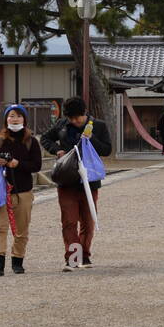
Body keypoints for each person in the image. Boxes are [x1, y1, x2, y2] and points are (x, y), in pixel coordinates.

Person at [41, 96, 112, 271]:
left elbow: (107, 149)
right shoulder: (62, 125)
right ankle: (73, 258)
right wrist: (57, 150)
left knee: (88, 221)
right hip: (67, 180)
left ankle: (85, 256)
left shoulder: (99, 126)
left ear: (85, 113)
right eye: (70, 118)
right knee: (69, 221)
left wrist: (91, 138)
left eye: (77, 118)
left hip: (90, 180)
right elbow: (45, 138)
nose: (74, 121)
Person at [0, 104, 43, 276]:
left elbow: (37, 165)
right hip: (1, 191)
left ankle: (18, 261)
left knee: (21, 229)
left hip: (23, 191)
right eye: (11, 116)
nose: (14, 119)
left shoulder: (31, 142)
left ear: (24, 119)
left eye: (18, 116)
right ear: (5, 119)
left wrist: (18, 164)